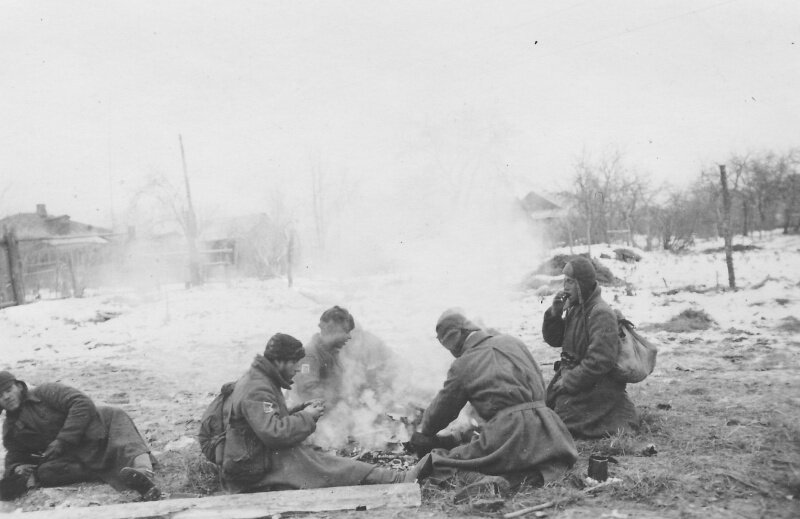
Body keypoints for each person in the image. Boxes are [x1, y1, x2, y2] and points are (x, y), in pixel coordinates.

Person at [221, 332, 426, 493]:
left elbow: (264, 422)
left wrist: (299, 410)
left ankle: (393, 477)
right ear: (280, 362)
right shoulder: (258, 388)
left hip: (256, 459)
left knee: (321, 460)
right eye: (295, 365)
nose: (298, 371)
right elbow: (274, 434)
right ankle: (397, 479)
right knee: (327, 466)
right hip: (253, 470)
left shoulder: (259, 379)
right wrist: (307, 416)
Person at [409, 310, 578, 498]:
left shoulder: (464, 363)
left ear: (453, 340)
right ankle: (530, 474)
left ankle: (484, 482)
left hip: (509, 433)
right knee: (536, 460)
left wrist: (424, 433)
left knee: (438, 461)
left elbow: (443, 409)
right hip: (549, 431)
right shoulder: (513, 342)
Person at [0, 371, 159, 501]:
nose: (6, 397)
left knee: (119, 424)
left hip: (98, 429)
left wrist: (63, 440)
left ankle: (143, 472)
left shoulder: (45, 392)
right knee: (45, 473)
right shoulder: (10, 428)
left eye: (8, 390)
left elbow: (81, 403)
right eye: (0, 395)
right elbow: (14, 456)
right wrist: (17, 468)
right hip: (73, 455)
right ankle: (125, 475)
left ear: (19, 386)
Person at [542, 256, 639, 438]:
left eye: (570, 282)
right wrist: (555, 314)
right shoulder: (575, 308)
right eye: (564, 281)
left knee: (559, 425)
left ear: (582, 284)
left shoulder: (601, 313)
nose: (565, 287)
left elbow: (601, 360)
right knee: (545, 414)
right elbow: (555, 340)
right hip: (576, 379)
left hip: (596, 385)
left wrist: (569, 381)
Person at [290, 306, 396, 407]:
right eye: (345, 332)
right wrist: (342, 400)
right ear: (332, 330)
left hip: (335, 415)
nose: (348, 337)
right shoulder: (309, 356)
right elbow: (308, 391)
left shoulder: (333, 355)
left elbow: (341, 383)